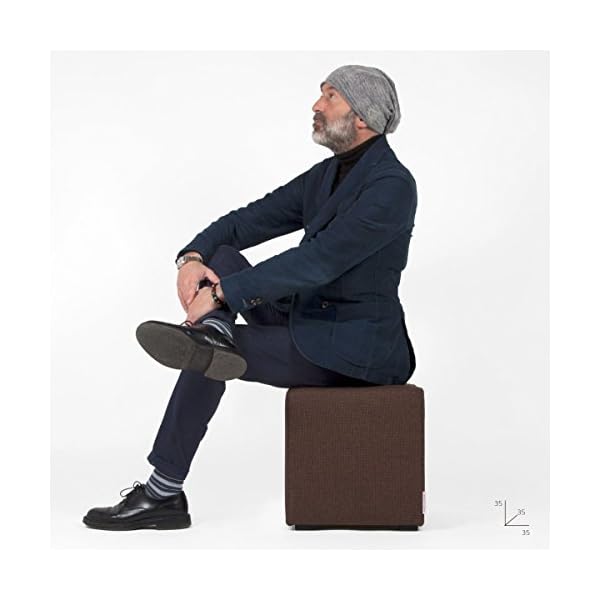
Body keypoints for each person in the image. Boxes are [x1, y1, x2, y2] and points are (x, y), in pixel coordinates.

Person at [82, 64, 418, 531]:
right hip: (308, 320)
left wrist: (222, 292)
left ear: (362, 116)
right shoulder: (326, 176)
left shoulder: (392, 186)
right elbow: (249, 220)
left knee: (205, 355)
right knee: (223, 256)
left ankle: (162, 492)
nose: (316, 105)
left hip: (354, 348)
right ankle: (215, 332)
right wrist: (192, 258)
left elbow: (319, 261)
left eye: (330, 96)